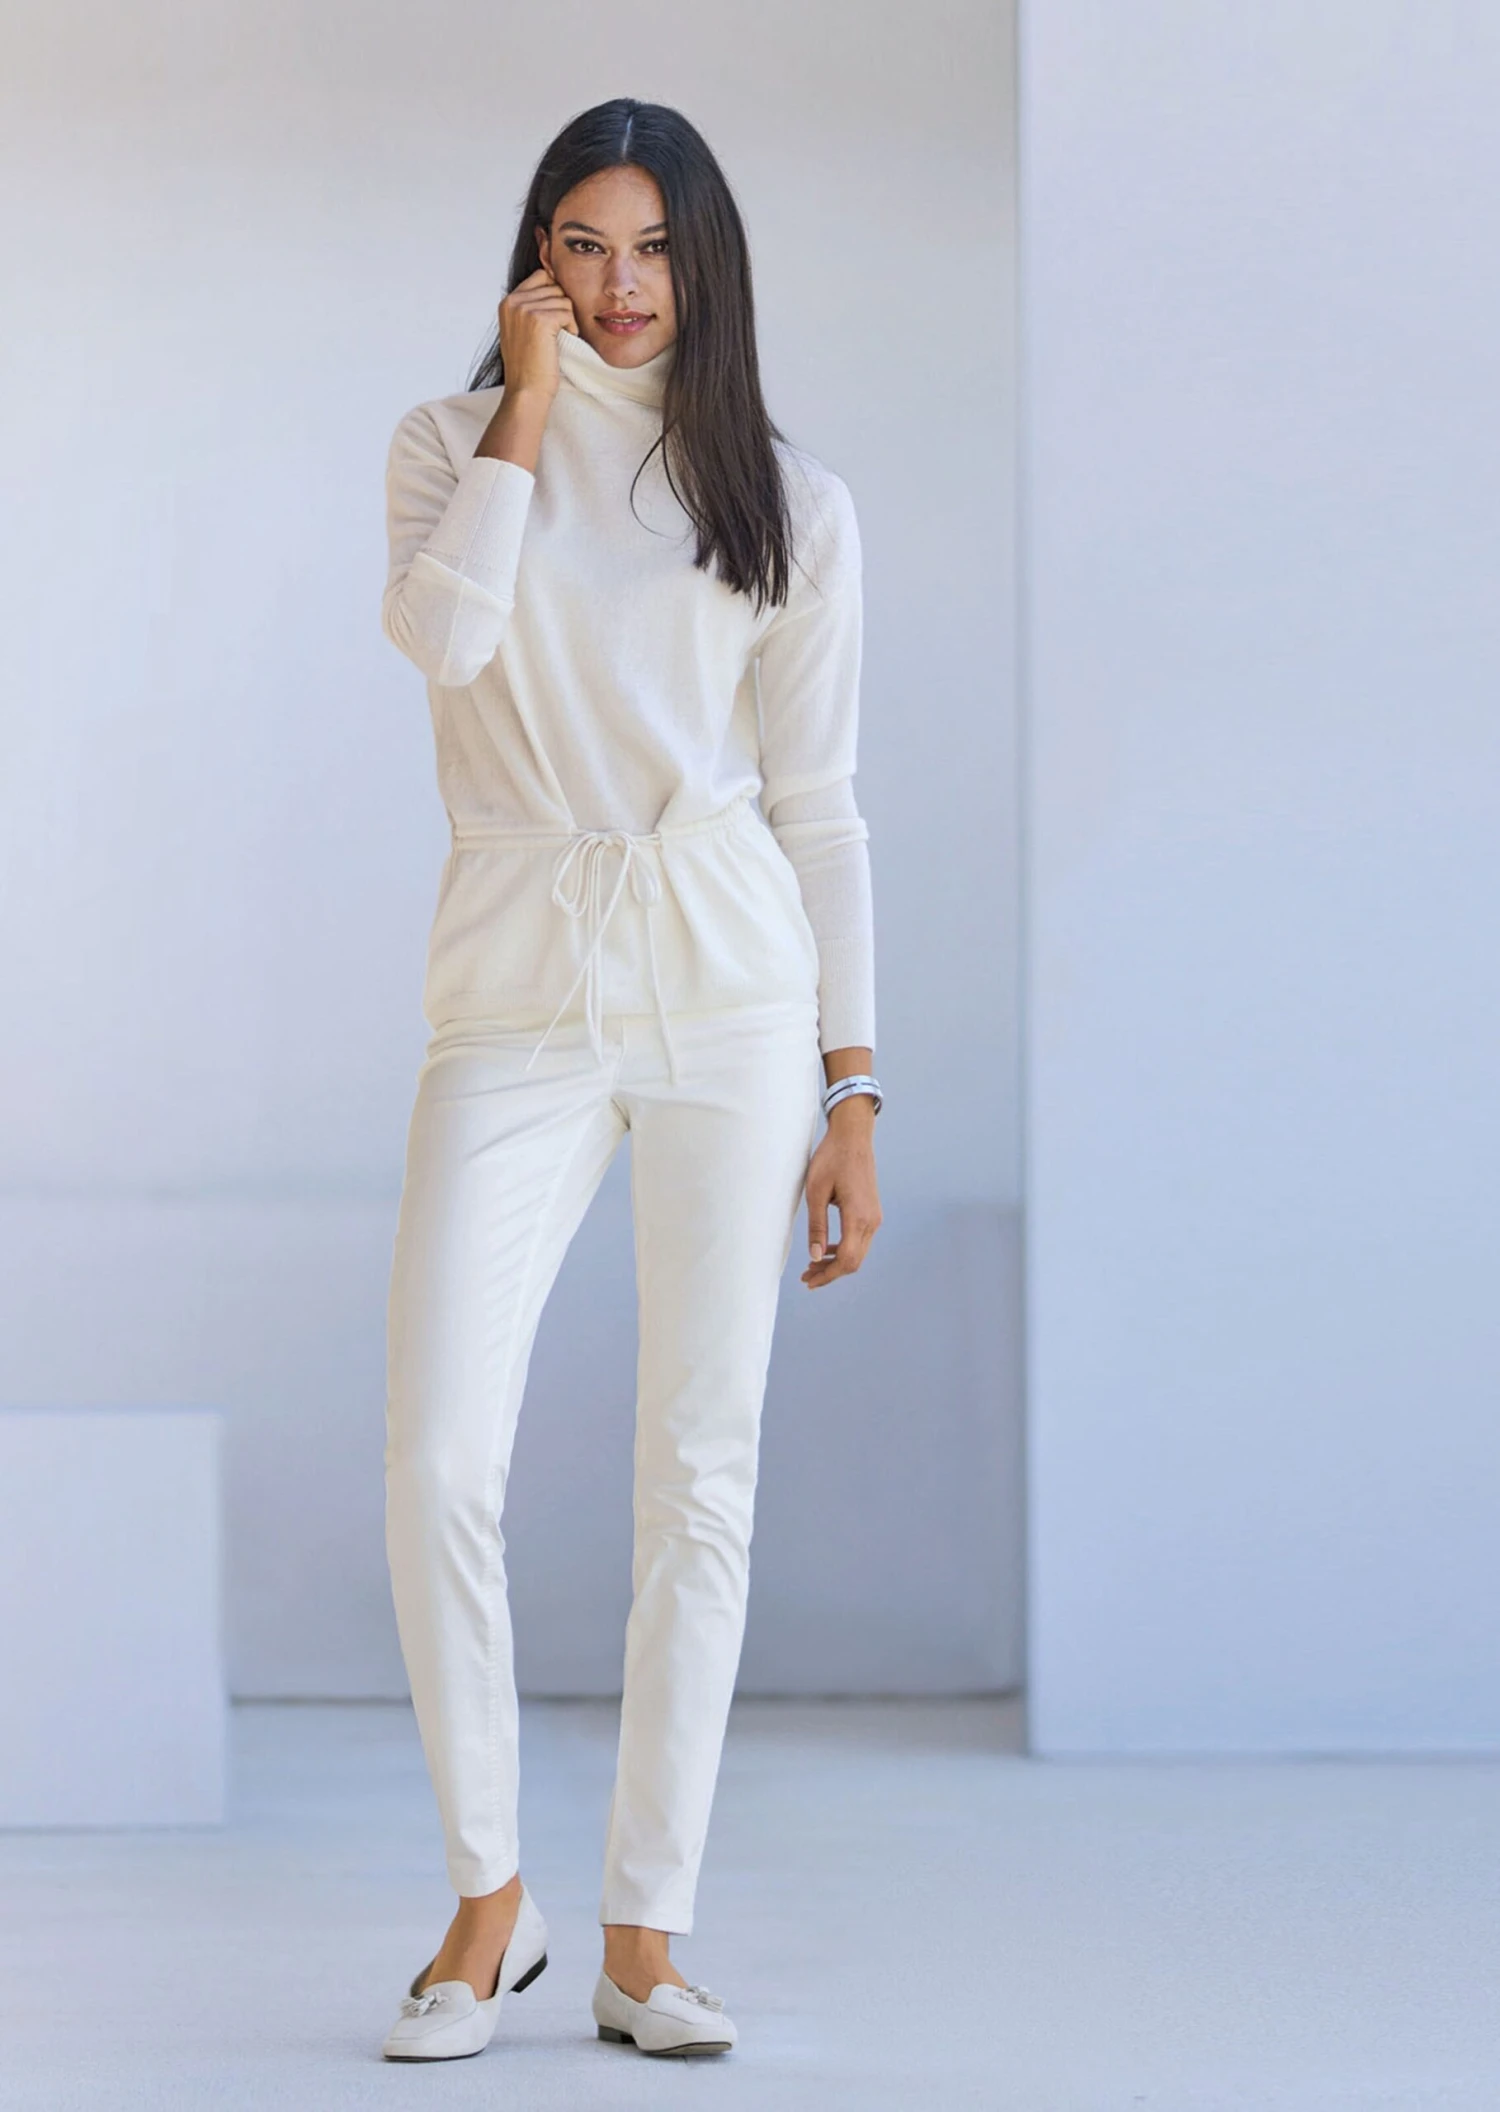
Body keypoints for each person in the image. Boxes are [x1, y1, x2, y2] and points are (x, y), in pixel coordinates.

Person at [376, 96, 882, 2064]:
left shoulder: (784, 496)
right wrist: (524, 410)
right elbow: (444, 641)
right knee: (440, 1456)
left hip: (732, 995)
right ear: (534, 259)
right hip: (514, 995)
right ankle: (487, 1901)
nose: (618, 284)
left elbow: (821, 807)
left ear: (706, 261)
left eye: (654, 246)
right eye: (582, 244)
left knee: (701, 1469)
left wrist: (854, 1086)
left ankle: (644, 1935)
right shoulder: (449, 446)